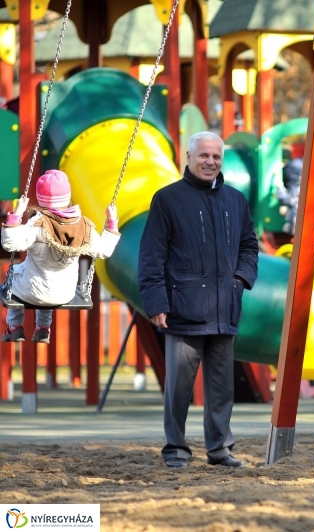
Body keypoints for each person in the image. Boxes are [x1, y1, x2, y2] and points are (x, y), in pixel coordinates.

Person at [138, 131, 259, 469]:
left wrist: (240, 280)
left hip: (225, 307)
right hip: (182, 310)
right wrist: (156, 302)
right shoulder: (167, 199)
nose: (210, 162)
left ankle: (219, 450)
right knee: (178, 390)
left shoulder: (235, 200)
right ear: (188, 158)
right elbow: (151, 256)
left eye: (216, 157)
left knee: (222, 389)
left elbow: (249, 246)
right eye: (204, 155)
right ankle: (176, 450)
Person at [1, 170, 120, 343]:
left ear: (41, 199)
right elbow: (105, 250)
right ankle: (43, 328)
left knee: (12, 279)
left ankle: (15, 327)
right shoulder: (83, 226)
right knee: (47, 279)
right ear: (68, 196)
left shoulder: (38, 223)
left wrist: (16, 216)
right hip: (65, 293)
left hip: (32, 291)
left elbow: (10, 244)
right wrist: (112, 222)